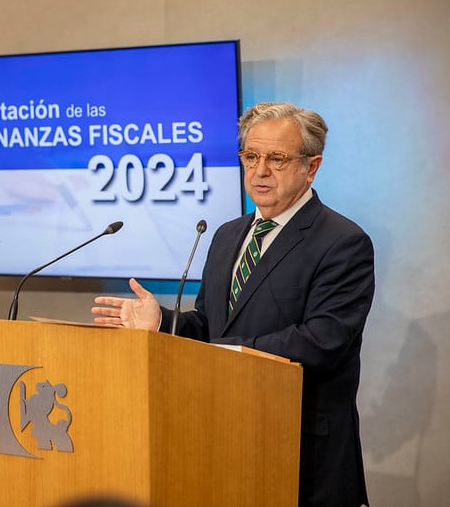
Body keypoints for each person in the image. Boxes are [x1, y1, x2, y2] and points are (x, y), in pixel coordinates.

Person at [92, 102, 374, 507]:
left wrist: (221, 354)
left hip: (299, 448)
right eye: (251, 156)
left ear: (311, 167)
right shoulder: (227, 234)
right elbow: (210, 325)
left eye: (277, 158)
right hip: (222, 436)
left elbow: (321, 342)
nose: (260, 171)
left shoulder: (342, 241)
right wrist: (164, 324)